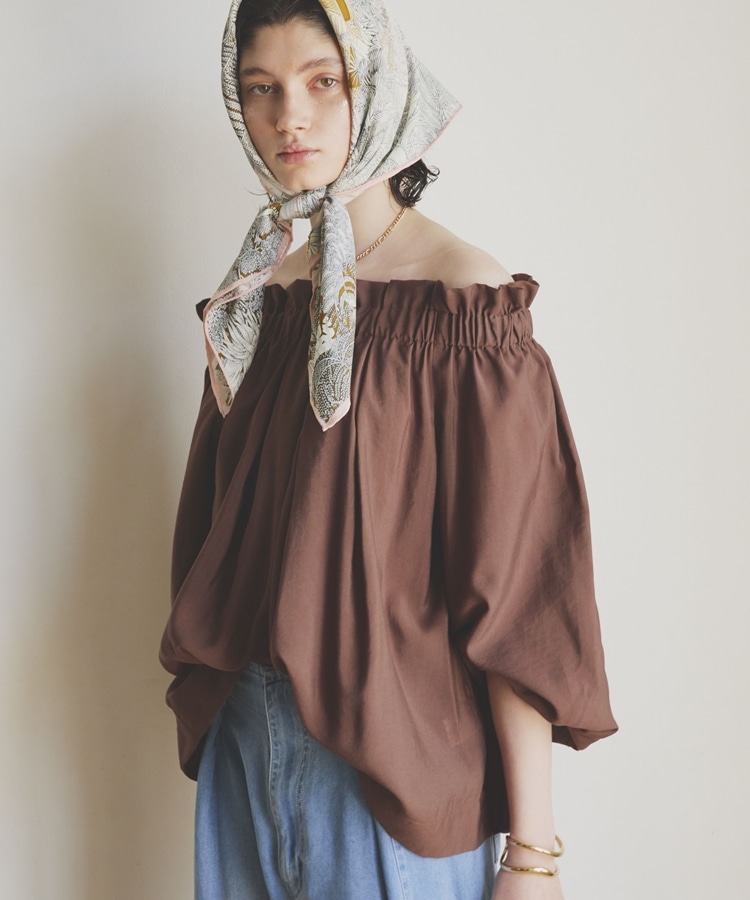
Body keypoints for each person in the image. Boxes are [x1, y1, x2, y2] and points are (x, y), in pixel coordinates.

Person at [159, 0, 618, 897]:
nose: (289, 116)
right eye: (262, 88)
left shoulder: (464, 306)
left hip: (392, 780)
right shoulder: (263, 298)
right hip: (245, 752)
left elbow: (517, 589)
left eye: (322, 82)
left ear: (377, 85)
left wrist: (533, 853)